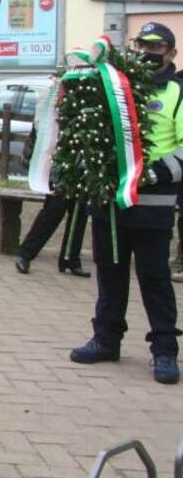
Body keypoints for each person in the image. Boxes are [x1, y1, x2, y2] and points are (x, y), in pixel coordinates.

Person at [71, 22, 181, 385]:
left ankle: (164, 350)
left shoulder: (178, 92)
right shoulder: (119, 86)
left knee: (154, 277)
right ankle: (106, 338)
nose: (149, 52)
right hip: (111, 199)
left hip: (153, 200)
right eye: (142, 45)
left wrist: (150, 174)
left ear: (171, 53)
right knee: (110, 272)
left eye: (157, 47)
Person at [15, 117, 90, 277]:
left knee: (79, 212)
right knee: (54, 210)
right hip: (60, 161)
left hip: (83, 160)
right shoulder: (57, 97)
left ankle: (70, 259)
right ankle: (25, 253)